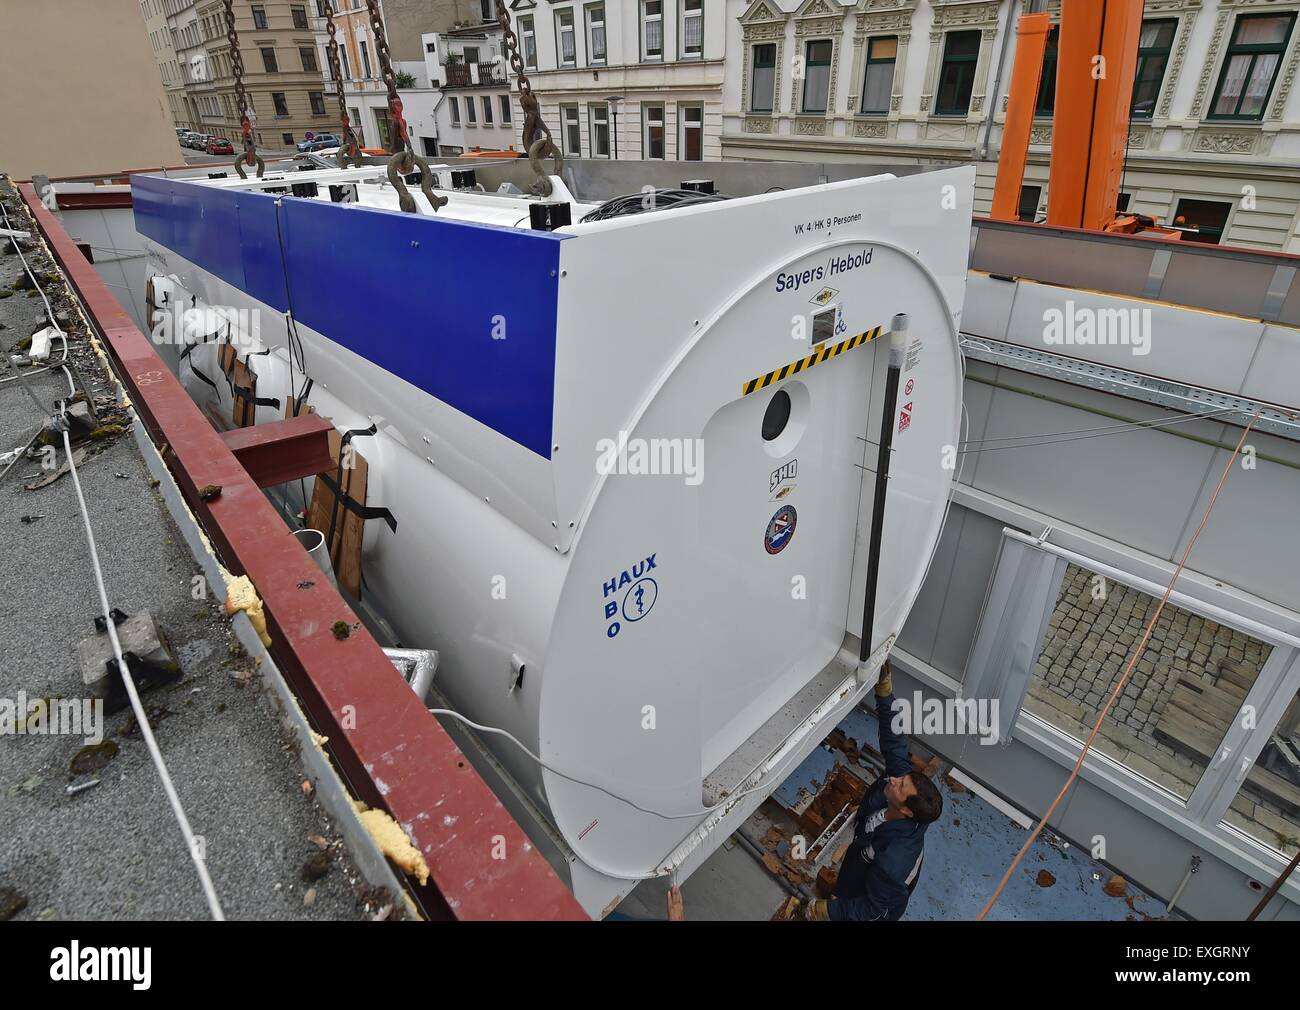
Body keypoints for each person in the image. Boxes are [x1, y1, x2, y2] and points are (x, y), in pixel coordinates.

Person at [796, 662, 943, 921]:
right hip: (862, 860)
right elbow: (896, 743)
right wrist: (885, 695)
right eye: (902, 778)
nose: (894, 780)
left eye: (900, 786)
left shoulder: (893, 862)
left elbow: (872, 912)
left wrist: (828, 911)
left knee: (849, 902)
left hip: (875, 903)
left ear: (907, 810)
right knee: (848, 883)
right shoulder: (902, 790)